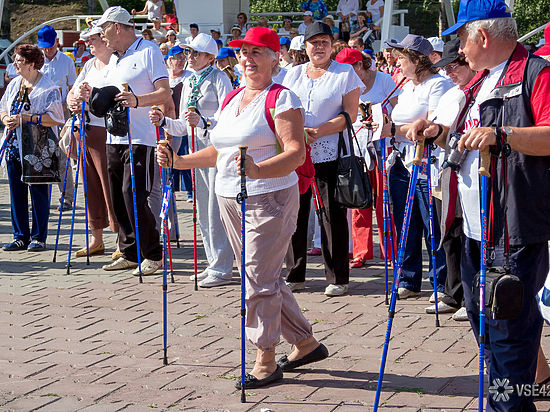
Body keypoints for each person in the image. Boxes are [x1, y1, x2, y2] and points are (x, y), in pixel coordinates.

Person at [154, 26, 328, 390]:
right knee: (263, 277)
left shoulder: (283, 98)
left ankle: (265, 357)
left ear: (275, 57)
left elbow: (295, 152)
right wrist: (179, 162)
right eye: (242, 52)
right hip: (229, 198)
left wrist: (258, 170)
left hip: (270, 198)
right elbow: (221, 150)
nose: (247, 59)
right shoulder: (234, 97)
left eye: (256, 52)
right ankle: (305, 343)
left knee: (257, 279)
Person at [408, 0, 550, 408]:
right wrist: (436, 131)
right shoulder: (480, 81)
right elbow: (464, 136)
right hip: (473, 225)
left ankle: (511, 406)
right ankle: (505, 400)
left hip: (513, 224)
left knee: (508, 329)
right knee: (482, 323)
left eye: (462, 40)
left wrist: (502, 134)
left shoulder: (536, 73)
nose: (460, 50)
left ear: (481, 35)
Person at [80, 6, 174, 275]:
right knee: (117, 198)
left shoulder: (149, 51)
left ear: (118, 27)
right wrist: (92, 95)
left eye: (104, 29)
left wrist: (138, 101)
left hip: (141, 137)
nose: (101, 35)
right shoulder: (115, 59)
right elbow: (112, 94)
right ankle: (130, 252)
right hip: (114, 135)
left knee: (133, 194)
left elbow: (164, 92)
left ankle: (153, 254)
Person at [283, 22, 363, 296]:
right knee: (294, 212)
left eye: (324, 42)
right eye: (313, 42)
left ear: (332, 45)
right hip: (296, 152)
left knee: (332, 214)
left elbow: (350, 116)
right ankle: (295, 274)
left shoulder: (345, 73)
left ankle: (337, 277)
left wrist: (319, 130)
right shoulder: (292, 74)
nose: (319, 47)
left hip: (330, 151)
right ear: (304, 46)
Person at [152, 33, 235, 288]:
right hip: (196, 150)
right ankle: (213, 263)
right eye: (189, 52)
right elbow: (182, 125)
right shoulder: (189, 81)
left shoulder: (221, 79)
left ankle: (223, 266)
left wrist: (205, 122)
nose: (190, 57)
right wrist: (164, 121)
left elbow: (229, 118)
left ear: (210, 57)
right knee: (202, 208)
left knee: (215, 209)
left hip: (216, 150)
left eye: (195, 53)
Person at [379, 34, 451, 301]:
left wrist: (394, 129)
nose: (398, 64)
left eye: (402, 59)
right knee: (406, 222)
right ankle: (409, 279)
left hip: (426, 161)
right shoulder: (406, 86)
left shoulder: (438, 84)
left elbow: (431, 126)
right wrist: (385, 125)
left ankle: (440, 282)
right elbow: (402, 124)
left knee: (431, 221)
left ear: (418, 60)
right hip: (401, 160)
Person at [420, 38, 475, 318]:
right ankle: (454, 292)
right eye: (447, 67)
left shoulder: (476, 93)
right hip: (443, 169)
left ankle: (471, 296)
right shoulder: (450, 93)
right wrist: (430, 131)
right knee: (449, 232)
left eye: (454, 67)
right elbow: (439, 127)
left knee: (468, 234)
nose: (449, 72)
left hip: (467, 171)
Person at [336, 47, 400, 269]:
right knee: (358, 199)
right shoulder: (342, 84)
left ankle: (389, 251)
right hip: (356, 147)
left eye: (352, 68)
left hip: (382, 147)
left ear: (361, 64)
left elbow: (399, 110)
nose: (350, 74)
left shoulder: (383, 80)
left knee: (384, 200)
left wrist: (385, 120)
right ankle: (361, 251)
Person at [0, 44, 64, 252]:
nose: (14, 64)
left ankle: (38, 237)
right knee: (16, 193)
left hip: (37, 148)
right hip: (13, 147)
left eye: (18, 60)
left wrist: (27, 119)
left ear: (31, 63)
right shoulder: (14, 84)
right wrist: (6, 118)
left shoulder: (48, 87)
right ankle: (20, 236)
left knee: (38, 192)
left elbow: (55, 118)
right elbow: (2, 107)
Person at [66, 25, 119, 259]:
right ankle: (96, 238)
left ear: (105, 40)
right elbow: (73, 90)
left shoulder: (116, 65)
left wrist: (87, 103)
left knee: (110, 187)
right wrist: (72, 102)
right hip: (84, 130)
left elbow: (114, 99)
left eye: (93, 39)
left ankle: (122, 238)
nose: (89, 43)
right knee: (90, 188)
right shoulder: (88, 64)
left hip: (105, 131)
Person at [37, 25, 77, 212]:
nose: (47, 50)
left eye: (50, 46)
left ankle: (67, 197)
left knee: (62, 156)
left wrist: (67, 110)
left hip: (61, 114)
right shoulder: (37, 60)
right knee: (39, 157)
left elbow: (72, 89)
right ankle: (40, 197)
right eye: (44, 47)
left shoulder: (67, 62)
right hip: (40, 115)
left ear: (57, 43)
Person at [166, 45, 193, 200]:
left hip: (182, 121)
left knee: (184, 155)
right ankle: (172, 187)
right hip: (168, 122)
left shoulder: (189, 76)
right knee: (169, 155)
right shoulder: (164, 77)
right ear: (170, 60)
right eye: (178, 58)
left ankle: (190, 190)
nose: (181, 61)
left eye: (183, 58)